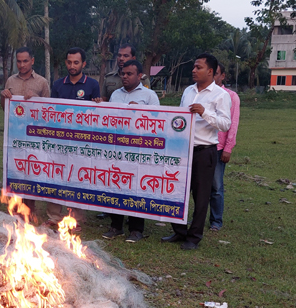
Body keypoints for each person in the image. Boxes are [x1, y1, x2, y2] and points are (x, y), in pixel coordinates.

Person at [161, 53, 231, 250]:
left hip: (204, 150)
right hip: (182, 149)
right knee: (177, 192)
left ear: (210, 71)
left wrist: (204, 112)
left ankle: (193, 237)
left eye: (198, 67)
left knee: (200, 196)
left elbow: (225, 124)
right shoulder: (188, 91)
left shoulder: (220, 95)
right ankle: (179, 231)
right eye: (193, 67)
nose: (193, 70)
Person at [101, 60, 160, 243]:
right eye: (123, 74)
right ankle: (116, 226)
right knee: (116, 184)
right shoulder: (115, 95)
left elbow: (158, 123)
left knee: (136, 187)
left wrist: (141, 111)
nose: (125, 77)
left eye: (129, 74)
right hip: (118, 148)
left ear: (140, 75)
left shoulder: (149, 96)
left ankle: (136, 229)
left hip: (138, 149)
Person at [44, 47, 101, 232]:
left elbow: (98, 114)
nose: (72, 65)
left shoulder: (92, 84)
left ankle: (75, 219)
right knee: (56, 175)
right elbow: (51, 110)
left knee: (79, 177)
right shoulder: (58, 84)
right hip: (60, 141)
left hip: (82, 142)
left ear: (83, 64)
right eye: (69, 62)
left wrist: (99, 105)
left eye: (76, 62)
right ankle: (54, 216)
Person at [1, 47, 51, 220]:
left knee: (30, 170)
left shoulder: (42, 82)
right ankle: (15, 209)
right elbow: (5, 109)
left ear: (32, 61)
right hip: (15, 135)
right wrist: (4, 96)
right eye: (18, 61)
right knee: (15, 170)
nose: (21, 65)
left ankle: (30, 210)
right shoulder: (10, 80)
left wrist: (36, 99)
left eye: (25, 61)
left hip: (34, 135)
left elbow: (48, 111)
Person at [209, 62, 240, 231]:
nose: (213, 77)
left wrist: (228, 148)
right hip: (200, 146)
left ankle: (216, 220)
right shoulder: (200, 93)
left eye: (216, 74)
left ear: (222, 76)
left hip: (219, 146)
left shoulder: (231, 96)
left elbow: (232, 123)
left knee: (216, 186)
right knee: (198, 186)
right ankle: (196, 217)